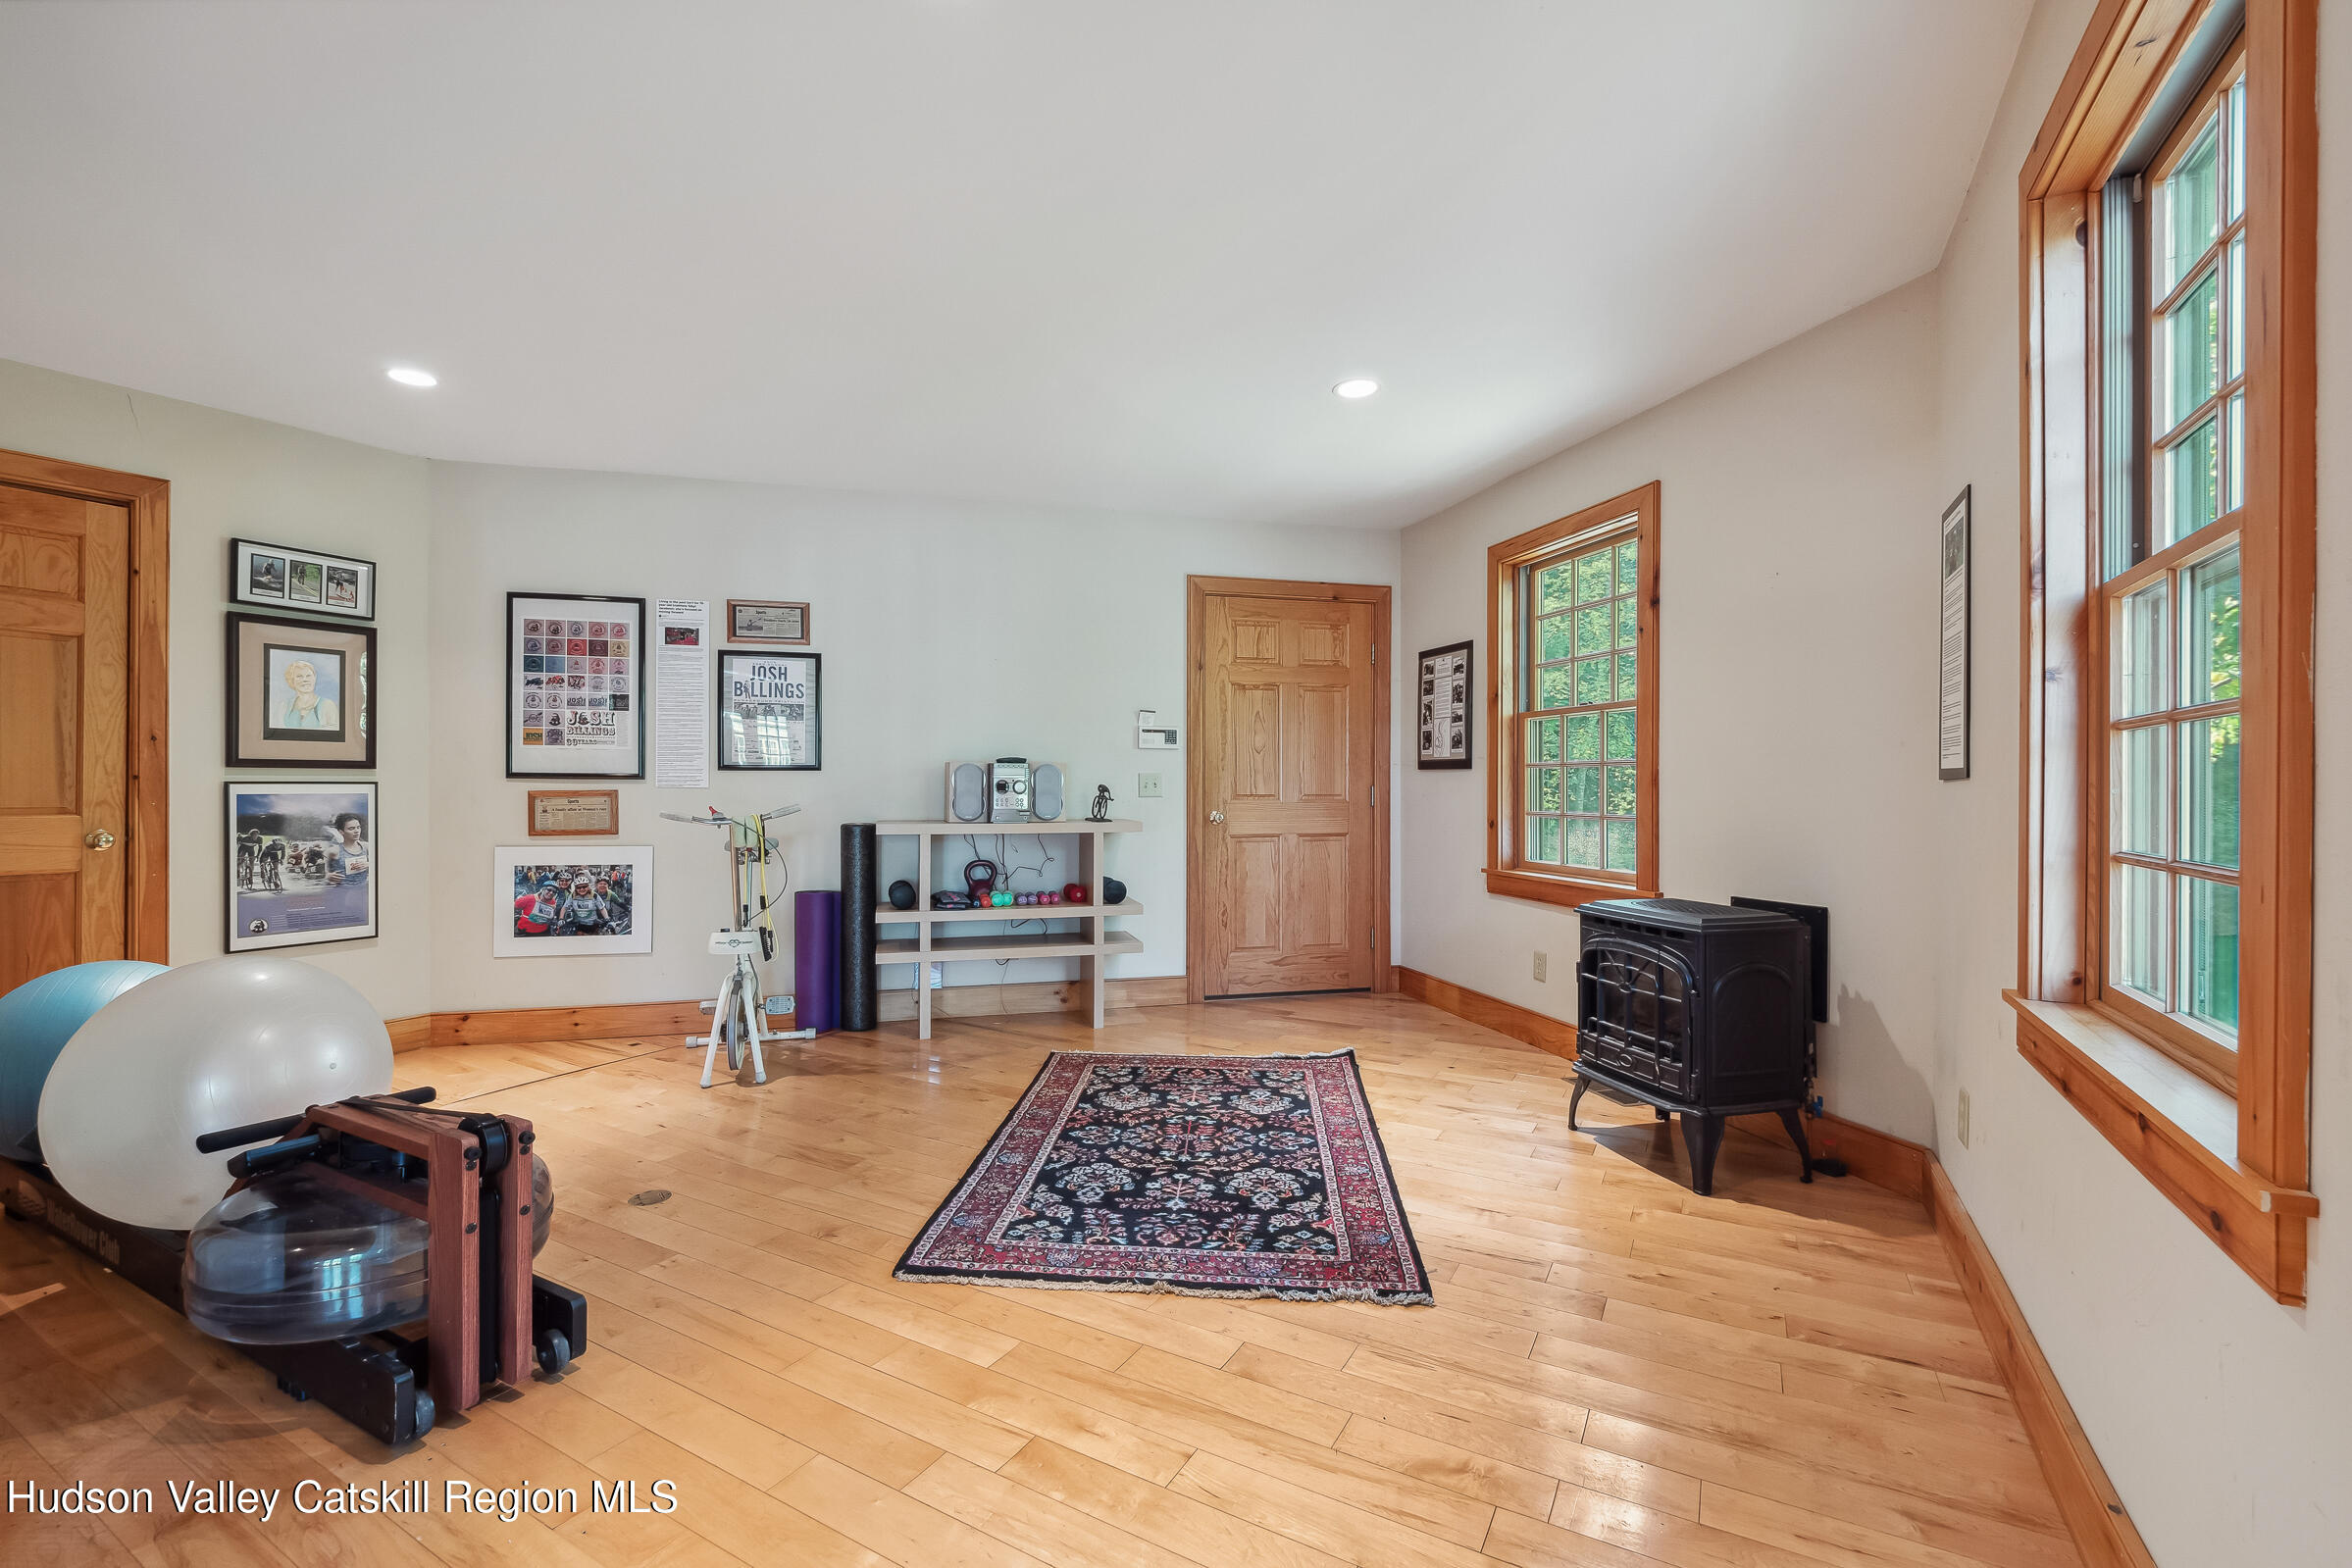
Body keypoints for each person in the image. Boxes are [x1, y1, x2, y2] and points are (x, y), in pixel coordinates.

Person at [273, 658, 339, 731]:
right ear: (291, 680)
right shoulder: (283, 707)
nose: (305, 680)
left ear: (314, 678)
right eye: (299, 676)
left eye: (308, 676)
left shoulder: (327, 705)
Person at [325, 812, 370, 885]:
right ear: (341, 832)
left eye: (358, 827)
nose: (357, 831)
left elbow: (385, 863)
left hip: (362, 891)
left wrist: (369, 864)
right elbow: (322, 872)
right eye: (351, 828)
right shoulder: (333, 851)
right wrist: (327, 875)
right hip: (342, 891)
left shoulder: (367, 847)